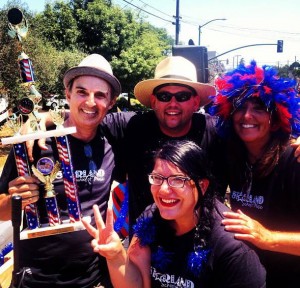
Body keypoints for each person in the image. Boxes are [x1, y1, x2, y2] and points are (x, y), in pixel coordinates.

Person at [0, 54, 131, 287]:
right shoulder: (35, 144)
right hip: (34, 280)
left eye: (100, 95)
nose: (90, 102)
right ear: (68, 94)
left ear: (110, 103)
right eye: (82, 92)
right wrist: (15, 200)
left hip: (91, 280)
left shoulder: (113, 141)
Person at [82, 140, 266, 288]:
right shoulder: (150, 218)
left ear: (202, 186)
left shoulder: (232, 247)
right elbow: (134, 284)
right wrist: (115, 256)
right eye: (157, 178)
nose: (163, 190)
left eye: (178, 180)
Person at [209, 60, 300, 287]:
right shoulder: (231, 155)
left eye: (259, 108)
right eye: (240, 107)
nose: (247, 116)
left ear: (277, 116)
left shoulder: (294, 160)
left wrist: (268, 238)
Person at [124, 56, 228, 234]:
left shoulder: (216, 130)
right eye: (164, 96)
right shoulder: (132, 126)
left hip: (203, 242)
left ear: (195, 102)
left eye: (182, 96)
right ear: (154, 101)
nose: (173, 104)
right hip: (145, 242)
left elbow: (256, 133)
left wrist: (292, 141)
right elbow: (89, 123)